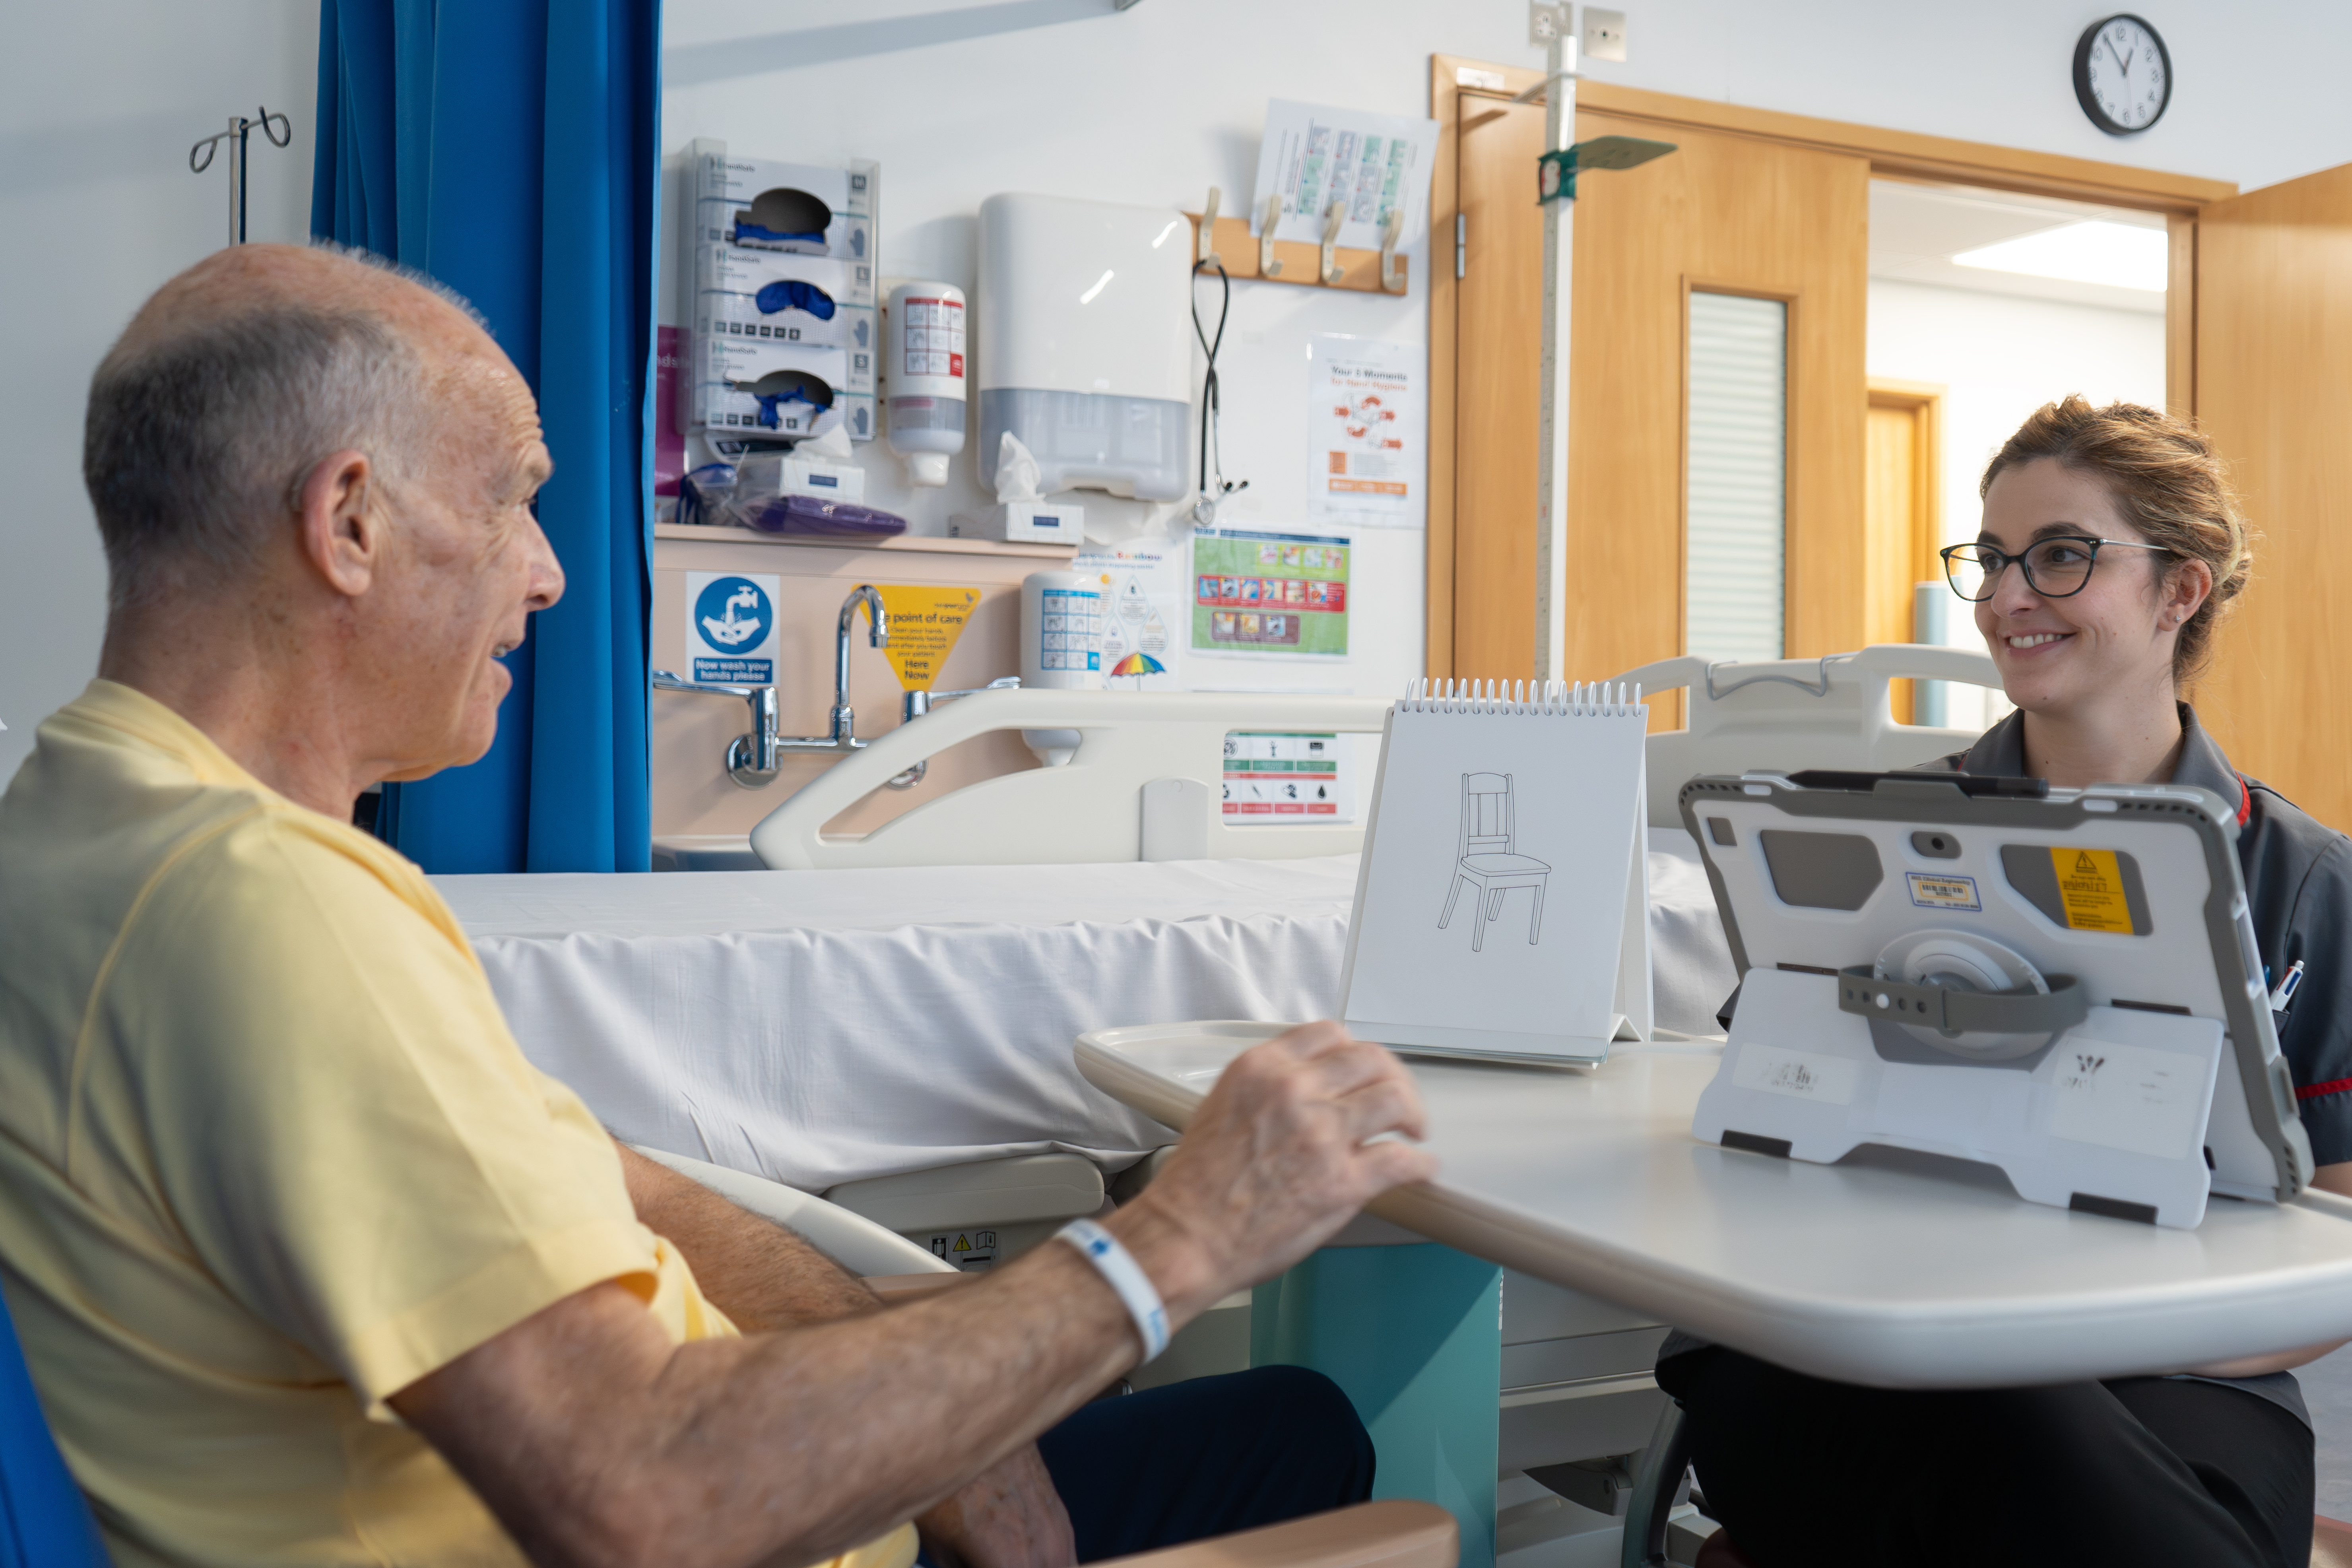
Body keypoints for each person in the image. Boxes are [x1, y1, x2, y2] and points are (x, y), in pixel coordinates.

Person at [0, 242, 1440, 1568]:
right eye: (513, 499)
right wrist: (1183, 1237)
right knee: (1313, 1451)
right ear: (352, 522)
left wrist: (961, 1418)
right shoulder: (267, 915)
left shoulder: (77, 829)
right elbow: (648, 1494)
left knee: (1271, 1424)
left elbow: (600, 1184)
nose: (552, 572)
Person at [1660, 397, 2352, 1568]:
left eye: (2060, 557)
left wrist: (2126, 1337)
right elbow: (1762, 1118)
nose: (2005, 597)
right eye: (1989, 560)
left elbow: (2340, 1228)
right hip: (1858, 1332)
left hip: (2175, 1366)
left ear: (2180, 590)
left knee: (2077, 1476)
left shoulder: (2300, 878)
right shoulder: (1869, 840)